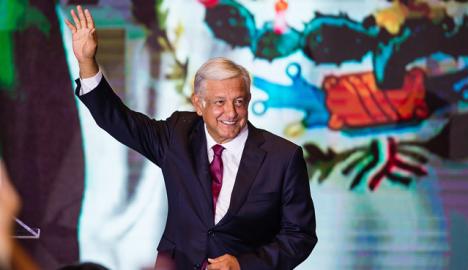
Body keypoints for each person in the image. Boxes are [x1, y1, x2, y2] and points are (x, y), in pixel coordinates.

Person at [65, 6, 317, 270]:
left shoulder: (282, 157)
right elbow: (119, 121)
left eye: (239, 102)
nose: (230, 113)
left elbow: (299, 236)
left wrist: (244, 265)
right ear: (199, 103)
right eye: (220, 102)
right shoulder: (179, 135)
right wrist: (87, 63)